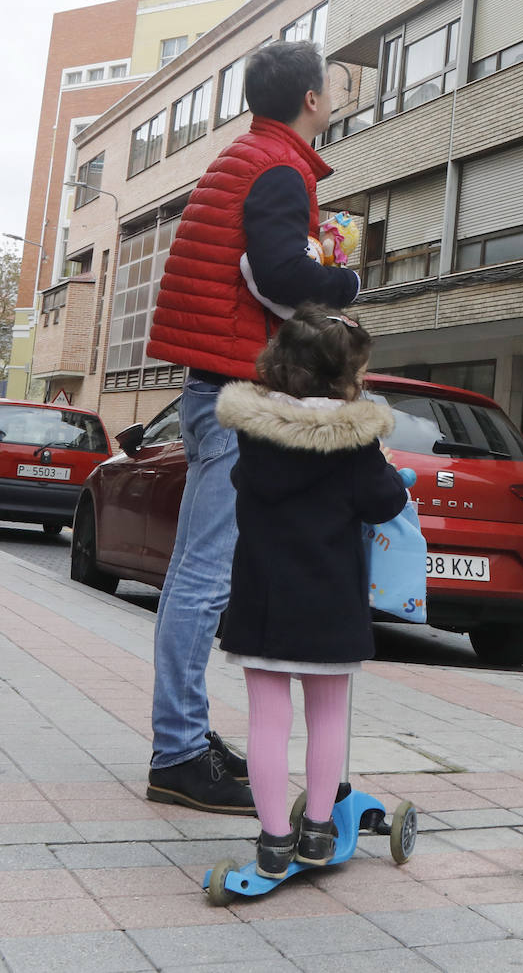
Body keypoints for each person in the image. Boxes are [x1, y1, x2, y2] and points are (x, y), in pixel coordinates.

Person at [144, 41, 361, 814]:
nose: (335, 98)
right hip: (234, 393)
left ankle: (186, 737)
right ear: (309, 99)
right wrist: (345, 282)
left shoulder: (249, 156)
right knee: (202, 583)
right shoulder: (277, 167)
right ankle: (175, 753)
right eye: (332, 89)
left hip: (216, 385)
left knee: (199, 580)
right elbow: (275, 275)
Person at [215, 305, 408, 876]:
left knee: (266, 721)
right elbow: (387, 502)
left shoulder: (255, 437)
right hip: (332, 603)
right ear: (346, 379)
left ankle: (273, 841)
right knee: (327, 716)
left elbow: (243, 484)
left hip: (263, 601)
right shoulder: (356, 444)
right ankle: (319, 833)